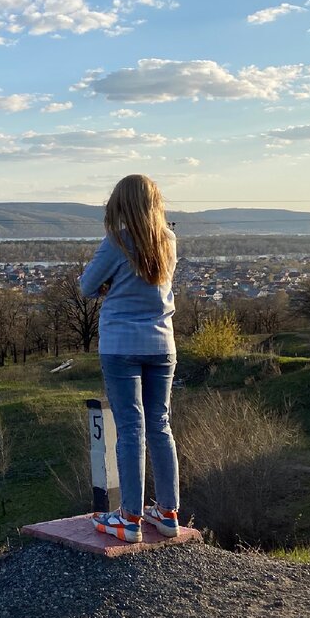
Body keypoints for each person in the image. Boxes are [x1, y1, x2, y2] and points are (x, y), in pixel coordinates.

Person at [79, 174, 180, 543]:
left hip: (121, 345)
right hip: (162, 345)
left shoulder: (116, 243)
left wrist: (109, 284)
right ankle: (168, 512)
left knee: (130, 429)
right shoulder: (168, 240)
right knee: (160, 425)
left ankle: (130, 518)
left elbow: (87, 286)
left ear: (120, 205)